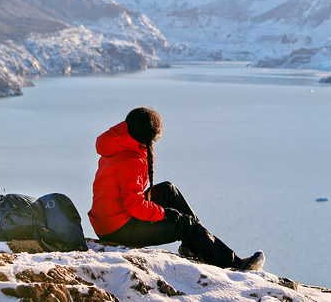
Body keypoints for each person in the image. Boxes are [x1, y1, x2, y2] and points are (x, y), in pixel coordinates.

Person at [88, 106, 264, 271]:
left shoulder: (120, 145)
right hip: (118, 229)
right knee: (184, 224)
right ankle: (232, 264)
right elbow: (134, 205)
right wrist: (164, 214)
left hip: (109, 221)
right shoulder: (132, 160)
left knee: (167, 190)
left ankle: (196, 242)